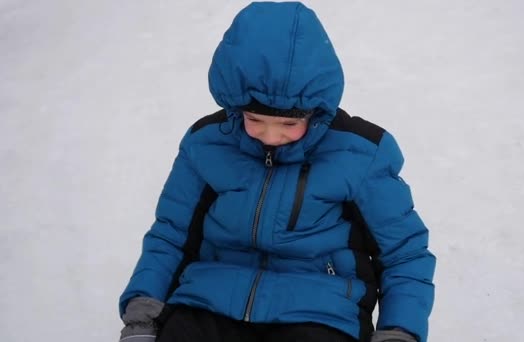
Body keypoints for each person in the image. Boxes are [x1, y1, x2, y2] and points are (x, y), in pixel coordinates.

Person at [118, 2, 435, 342]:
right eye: (254, 120)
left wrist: (398, 331)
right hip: (208, 301)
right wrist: (144, 310)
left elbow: (403, 251)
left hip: (319, 311)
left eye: (288, 123)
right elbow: (172, 234)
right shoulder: (206, 144)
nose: (271, 136)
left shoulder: (360, 153)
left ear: (315, 112)